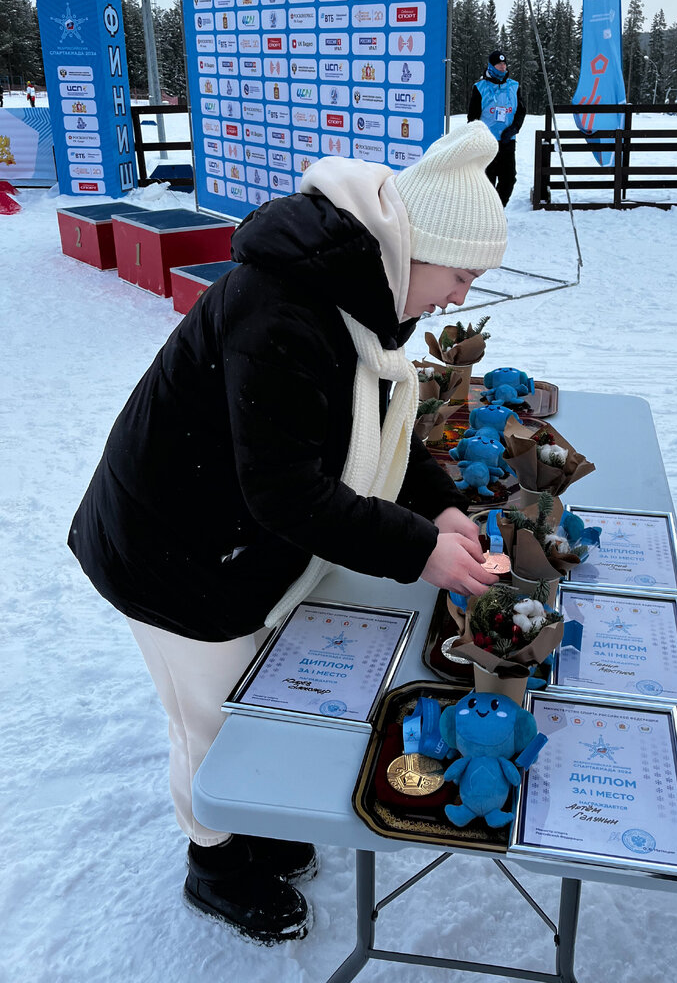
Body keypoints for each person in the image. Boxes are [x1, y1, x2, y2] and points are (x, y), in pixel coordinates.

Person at [67, 120, 506, 943]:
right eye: (460, 274)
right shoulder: (284, 309)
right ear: (417, 248)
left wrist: (438, 505)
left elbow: (376, 423)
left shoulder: (353, 295)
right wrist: (418, 550)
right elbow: (285, 490)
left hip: (226, 540)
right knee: (212, 718)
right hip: (171, 554)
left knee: (250, 699)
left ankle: (250, 821)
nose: (459, 297)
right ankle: (215, 863)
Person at [467, 50, 525, 207]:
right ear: (491, 66)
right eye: (499, 64)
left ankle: (497, 210)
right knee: (487, 180)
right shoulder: (479, 87)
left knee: (509, 178)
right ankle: (487, 213)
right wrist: (479, 135)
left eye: (504, 63)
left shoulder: (514, 86)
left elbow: (521, 111)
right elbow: (472, 117)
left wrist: (514, 129)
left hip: (507, 141)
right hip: (487, 142)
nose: (502, 66)